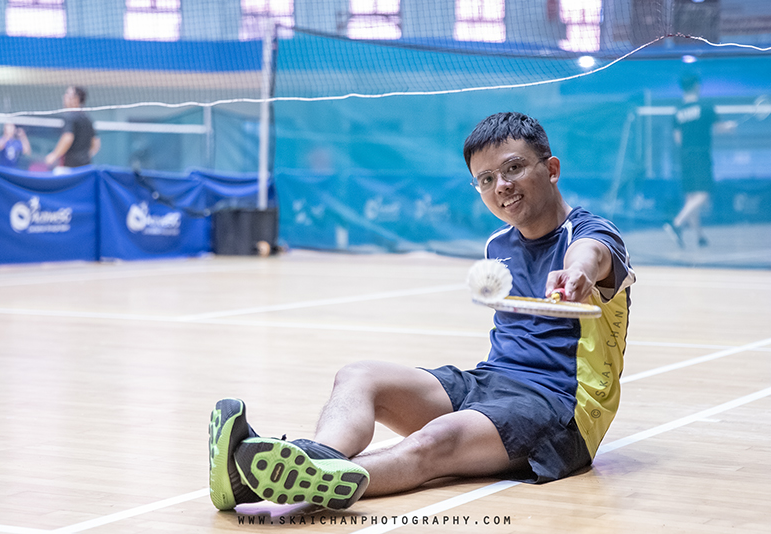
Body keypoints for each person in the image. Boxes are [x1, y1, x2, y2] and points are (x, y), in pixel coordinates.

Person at [207, 112, 636, 512]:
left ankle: (301, 485)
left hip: (560, 408)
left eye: (513, 168)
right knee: (360, 375)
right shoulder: (497, 245)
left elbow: (592, 254)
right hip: (490, 382)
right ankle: (313, 458)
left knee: (435, 440)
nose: (500, 185)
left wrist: (577, 274)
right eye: (485, 179)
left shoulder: (589, 233)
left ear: (552, 169)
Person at [664, 73, 735, 248]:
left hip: (685, 156)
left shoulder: (677, 112)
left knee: (691, 197)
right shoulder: (706, 108)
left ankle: (700, 237)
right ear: (697, 86)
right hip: (701, 154)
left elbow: (678, 139)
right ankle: (677, 223)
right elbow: (720, 128)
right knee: (703, 193)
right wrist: (729, 127)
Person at [45, 86, 100, 173]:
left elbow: (68, 137)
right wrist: (84, 157)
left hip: (69, 168)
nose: (64, 96)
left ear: (76, 99)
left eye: (68, 94)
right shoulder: (88, 119)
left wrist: (54, 155)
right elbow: (96, 143)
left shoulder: (69, 116)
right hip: (86, 167)